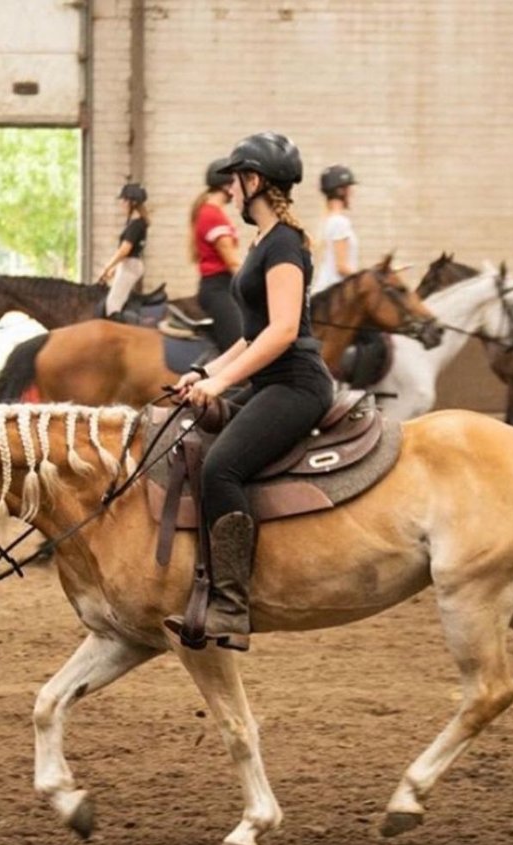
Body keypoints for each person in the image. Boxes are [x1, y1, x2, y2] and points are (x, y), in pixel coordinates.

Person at [163, 132, 334, 652]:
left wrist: (222, 383)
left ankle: (232, 604)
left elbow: (282, 331)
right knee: (193, 437)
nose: (229, 192)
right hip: (268, 382)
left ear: (254, 181)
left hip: (297, 385)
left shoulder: (283, 243)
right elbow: (248, 334)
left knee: (222, 468)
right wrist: (203, 371)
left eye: (235, 182)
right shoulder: (265, 242)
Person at [190, 159, 244, 351]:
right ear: (226, 185)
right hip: (218, 289)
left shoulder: (211, 212)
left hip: (223, 286)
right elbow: (231, 261)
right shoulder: (212, 215)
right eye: (237, 182)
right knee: (238, 346)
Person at [99, 183, 149, 321]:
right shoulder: (136, 222)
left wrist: (107, 266)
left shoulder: (136, 224)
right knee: (117, 301)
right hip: (129, 264)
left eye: (124, 200)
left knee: (112, 304)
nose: (121, 203)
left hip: (130, 266)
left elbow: (124, 250)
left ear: (132, 202)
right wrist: (114, 268)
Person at [311, 164, 359, 294]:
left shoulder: (329, 220)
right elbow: (341, 267)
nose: (352, 193)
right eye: (349, 188)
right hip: (333, 294)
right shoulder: (340, 222)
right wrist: (369, 278)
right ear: (340, 191)